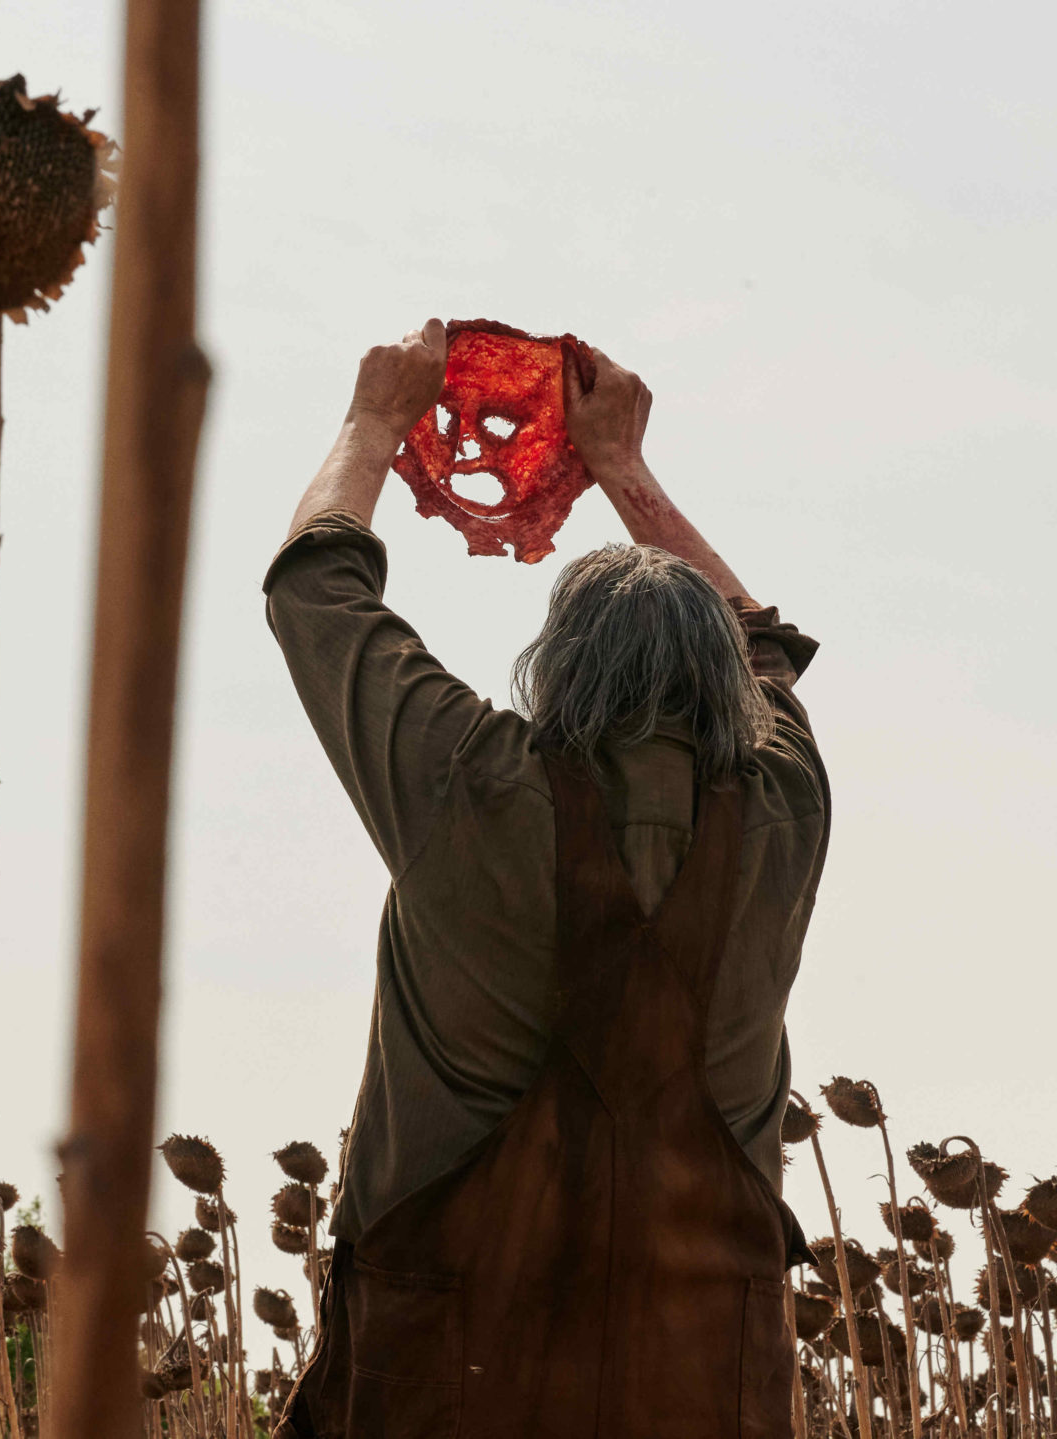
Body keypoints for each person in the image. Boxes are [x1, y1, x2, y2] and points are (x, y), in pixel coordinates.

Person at [265, 319, 831, 1438]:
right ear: (726, 681)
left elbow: (317, 593)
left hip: (449, 1381)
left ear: (552, 671)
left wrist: (374, 420)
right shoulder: (784, 808)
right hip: (702, 1388)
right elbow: (762, 639)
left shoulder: (469, 779)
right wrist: (624, 469)